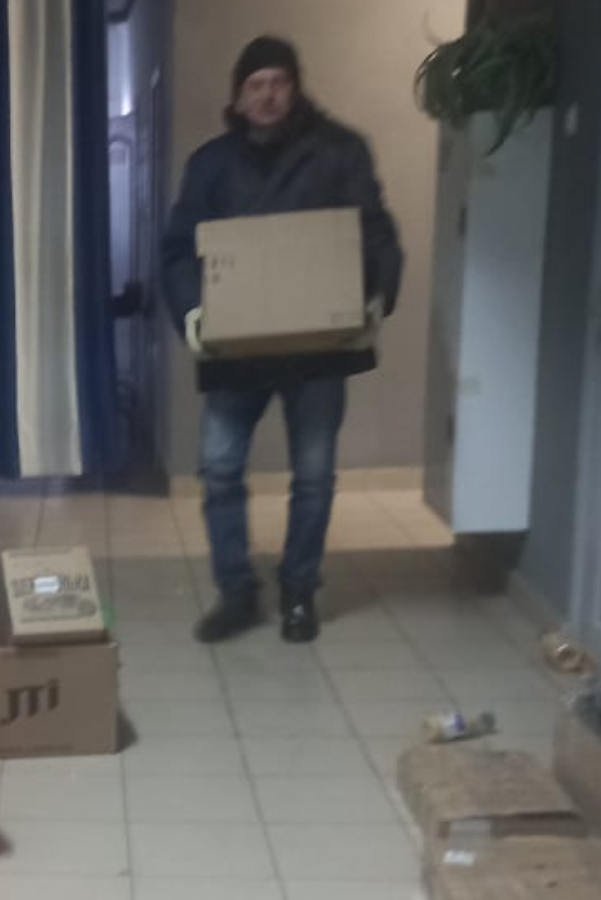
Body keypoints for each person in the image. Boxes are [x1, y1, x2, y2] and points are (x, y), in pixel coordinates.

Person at [161, 36, 403, 645]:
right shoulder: (211, 164)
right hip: (235, 351)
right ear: (239, 96)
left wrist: (378, 294)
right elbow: (179, 248)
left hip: (317, 350)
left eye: (278, 82)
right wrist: (191, 313)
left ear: (294, 88)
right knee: (220, 471)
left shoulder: (339, 151)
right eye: (256, 85)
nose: (267, 95)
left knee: (313, 475)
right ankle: (236, 593)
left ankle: (299, 591)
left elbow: (375, 231)